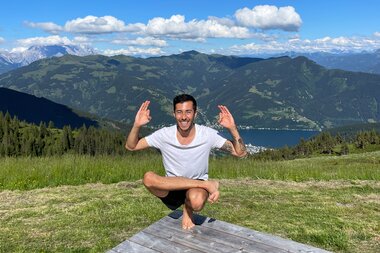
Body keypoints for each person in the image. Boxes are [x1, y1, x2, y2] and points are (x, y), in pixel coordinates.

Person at [125, 94, 247, 229]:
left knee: (196, 202)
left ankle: (188, 208)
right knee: (148, 178)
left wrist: (232, 128)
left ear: (195, 114)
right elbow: (131, 146)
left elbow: (240, 153)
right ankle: (207, 185)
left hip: (197, 187)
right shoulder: (164, 134)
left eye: (188, 112)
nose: (184, 117)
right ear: (174, 114)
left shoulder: (207, 134)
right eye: (179, 112)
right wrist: (137, 125)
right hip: (172, 186)